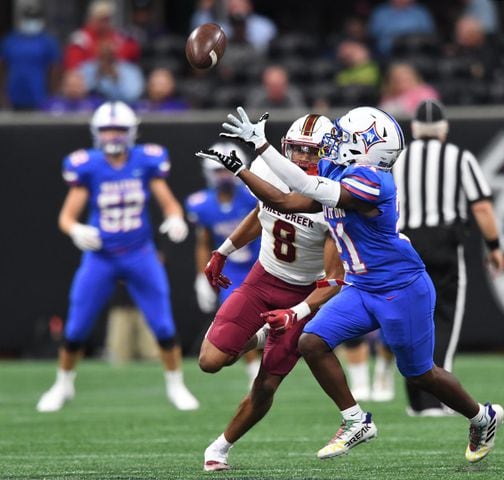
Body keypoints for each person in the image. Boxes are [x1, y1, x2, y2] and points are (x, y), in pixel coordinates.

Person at [206, 106, 504, 463]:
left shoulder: (372, 181)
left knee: (420, 373)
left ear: (367, 148)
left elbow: (305, 186)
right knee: (311, 342)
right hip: (362, 286)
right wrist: (243, 168)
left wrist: (260, 147)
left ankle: (482, 417)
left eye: (345, 137)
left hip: (400, 287)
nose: (335, 141)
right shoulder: (339, 169)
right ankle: (355, 420)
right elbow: (286, 199)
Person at [195, 114, 345, 471]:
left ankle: (220, 447)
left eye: (312, 152)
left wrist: (298, 313)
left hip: (304, 293)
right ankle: (260, 337)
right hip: (262, 279)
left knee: (266, 383)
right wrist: (223, 251)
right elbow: (262, 210)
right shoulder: (269, 166)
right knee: (210, 361)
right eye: (295, 150)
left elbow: (334, 279)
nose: (303, 159)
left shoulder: (336, 191)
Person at [36, 101, 198, 412]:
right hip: (101, 256)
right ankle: (63, 384)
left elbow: (170, 204)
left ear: (131, 132)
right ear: (96, 133)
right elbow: (66, 216)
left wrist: (176, 218)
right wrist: (76, 231)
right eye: (107, 130)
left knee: (163, 325)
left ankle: (176, 385)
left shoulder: (145, 162)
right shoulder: (89, 166)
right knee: (77, 328)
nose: (112, 136)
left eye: (119, 129)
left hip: (140, 252)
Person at [393, 99, 504, 416]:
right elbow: (482, 207)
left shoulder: (398, 158)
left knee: (410, 319)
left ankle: (417, 401)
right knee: (443, 318)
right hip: (444, 243)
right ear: (444, 131)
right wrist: (494, 246)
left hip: (404, 243)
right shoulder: (459, 157)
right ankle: (437, 398)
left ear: (414, 129)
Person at [185, 142, 260, 385]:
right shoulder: (201, 203)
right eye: (218, 170)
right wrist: (201, 277)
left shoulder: (252, 196)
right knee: (238, 320)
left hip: (260, 263)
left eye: (227, 169)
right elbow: (203, 242)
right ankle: (254, 369)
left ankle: (265, 365)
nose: (223, 175)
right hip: (231, 270)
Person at [0, 4, 60, 110]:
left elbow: (54, 70)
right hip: (13, 96)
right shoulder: (10, 40)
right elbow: (2, 68)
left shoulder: (47, 41)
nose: (31, 21)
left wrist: (52, 95)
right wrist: (2, 94)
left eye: (34, 18)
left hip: (39, 96)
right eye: (28, 18)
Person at [64, 0, 140, 70]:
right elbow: (73, 68)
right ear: (91, 19)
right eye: (101, 19)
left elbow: (133, 51)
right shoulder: (80, 38)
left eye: (107, 19)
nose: (104, 24)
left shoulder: (116, 36)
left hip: (115, 80)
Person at [79, 41, 144, 104]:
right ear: (97, 52)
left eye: (110, 54)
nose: (107, 57)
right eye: (104, 54)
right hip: (90, 109)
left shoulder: (130, 70)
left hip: (123, 108)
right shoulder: (87, 68)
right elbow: (76, 90)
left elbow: (133, 95)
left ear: (116, 52)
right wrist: (96, 77)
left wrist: (117, 79)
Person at [368, 0, 436, 56]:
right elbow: (373, 35)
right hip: (388, 53)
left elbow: (429, 34)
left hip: (416, 52)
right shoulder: (380, 12)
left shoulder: (420, 12)